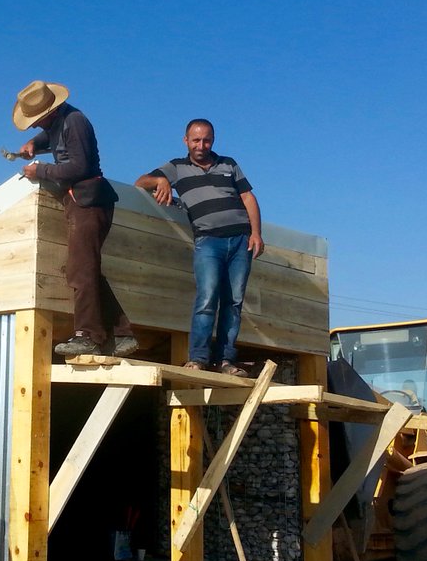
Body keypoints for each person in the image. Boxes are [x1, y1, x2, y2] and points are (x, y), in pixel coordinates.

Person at [14, 79, 138, 358]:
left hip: (89, 201)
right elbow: (51, 138)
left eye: (36, 121)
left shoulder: (76, 122)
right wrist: (34, 143)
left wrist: (41, 171)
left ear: (49, 111)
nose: (34, 125)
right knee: (86, 269)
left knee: (81, 271)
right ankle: (121, 334)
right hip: (82, 201)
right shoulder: (60, 123)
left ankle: (88, 336)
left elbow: (79, 166)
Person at [134, 119, 263, 376]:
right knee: (207, 298)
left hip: (240, 240)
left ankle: (225, 360)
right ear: (186, 141)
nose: (201, 145)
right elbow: (140, 182)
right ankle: (199, 358)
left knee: (234, 302)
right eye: (195, 140)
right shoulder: (176, 167)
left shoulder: (229, 164)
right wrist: (161, 182)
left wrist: (257, 233)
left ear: (213, 140)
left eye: (206, 140)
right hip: (208, 241)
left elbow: (247, 197)